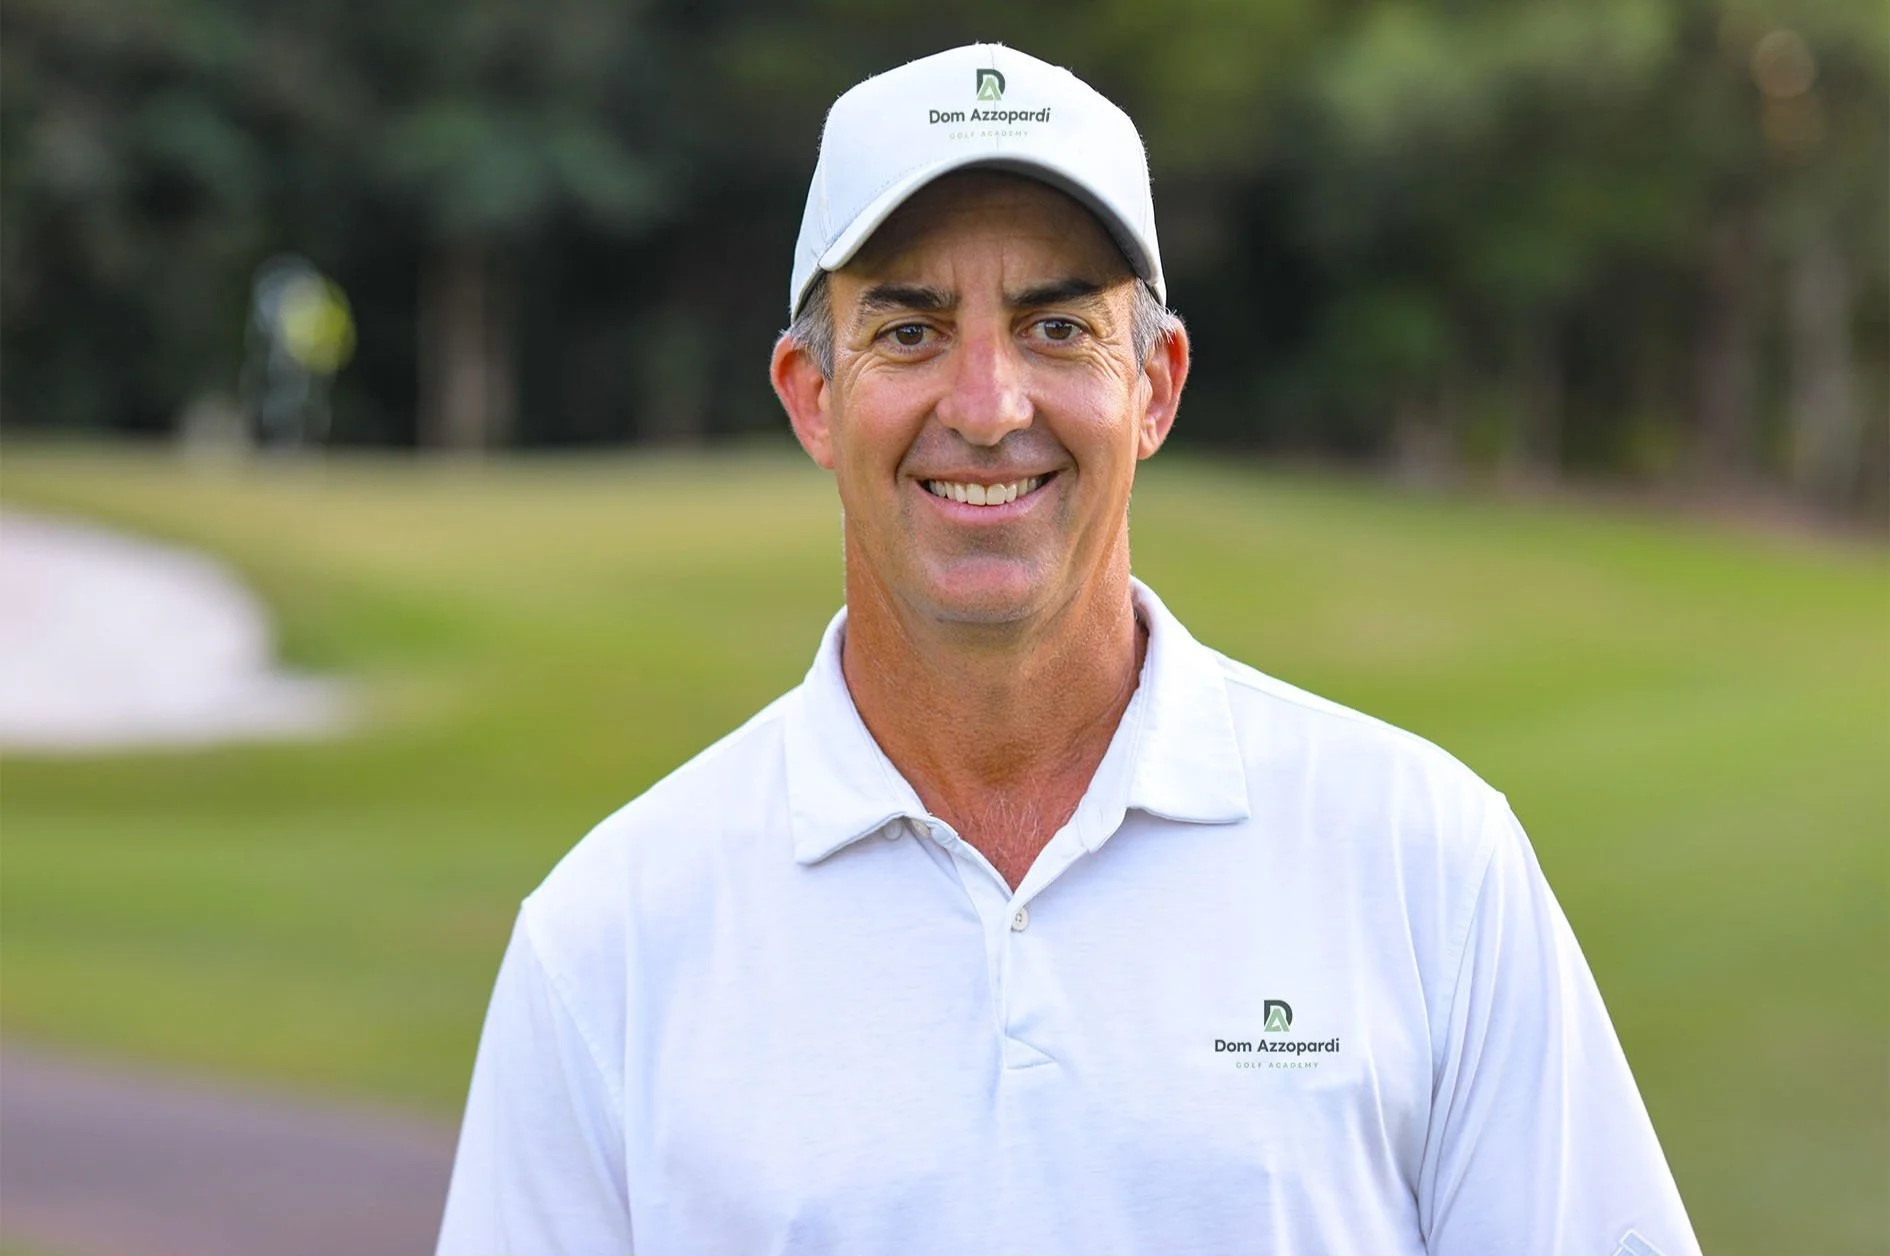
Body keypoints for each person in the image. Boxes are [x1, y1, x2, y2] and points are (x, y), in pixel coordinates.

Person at [436, 43, 1701, 1255]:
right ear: (813, 395)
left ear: (1155, 384)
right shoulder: (609, 939)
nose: (987, 408)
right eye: (911, 330)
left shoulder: (1429, 863)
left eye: (1057, 329)